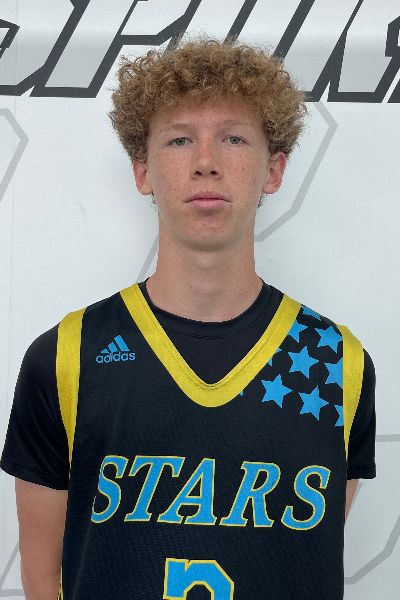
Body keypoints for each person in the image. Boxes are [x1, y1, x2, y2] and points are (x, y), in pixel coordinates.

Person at [1, 37, 376, 600]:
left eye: (233, 138)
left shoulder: (336, 364)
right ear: (142, 171)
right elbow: (41, 577)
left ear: (273, 170)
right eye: (179, 139)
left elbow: (301, 563)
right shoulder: (66, 357)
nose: (206, 162)